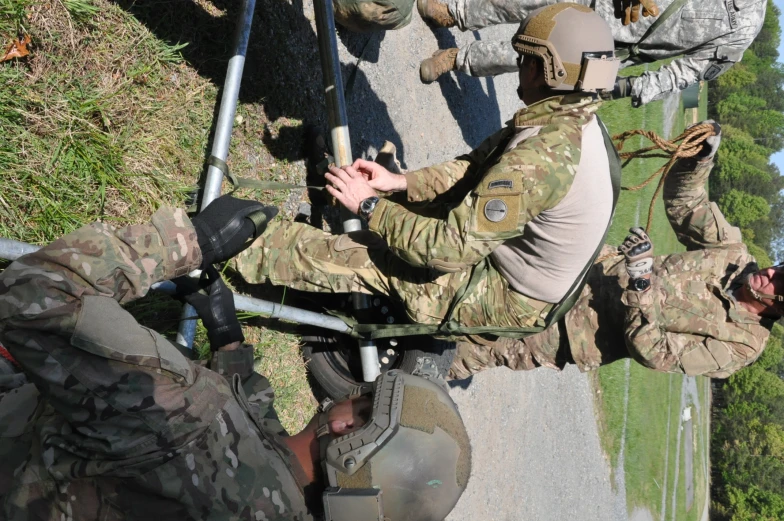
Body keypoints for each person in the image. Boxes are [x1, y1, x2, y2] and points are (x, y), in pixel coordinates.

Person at [0, 197, 471, 520]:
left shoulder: (187, 417)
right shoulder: (291, 501)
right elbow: (265, 446)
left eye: (366, 398)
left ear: (349, 429)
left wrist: (190, 240)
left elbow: (33, 294)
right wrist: (229, 342)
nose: (356, 392)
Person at [233, 4, 620, 340]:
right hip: (502, 252)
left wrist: (369, 207)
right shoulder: (567, 114)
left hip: (507, 293)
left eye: (523, 61)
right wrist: (400, 183)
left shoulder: (543, 158)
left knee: (371, 259)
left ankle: (232, 242)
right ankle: (336, 193)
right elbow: (473, 169)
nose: (518, 70)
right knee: (396, 204)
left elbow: (446, 250)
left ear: (542, 70)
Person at [449, 120, 784, 380]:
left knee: (459, 354)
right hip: (574, 267)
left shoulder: (742, 345)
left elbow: (656, 354)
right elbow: (686, 205)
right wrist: (699, 160)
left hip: (566, 332)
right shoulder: (734, 256)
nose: (770, 272)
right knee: (458, 279)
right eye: (779, 268)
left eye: (779, 282)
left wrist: (641, 284)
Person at [416, 0, 767, 107]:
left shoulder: (745, 28)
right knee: (521, 1)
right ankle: (457, 13)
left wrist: (628, 88)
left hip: (611, 51)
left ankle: (456, 59)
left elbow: (686, 73)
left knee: (529, 61)